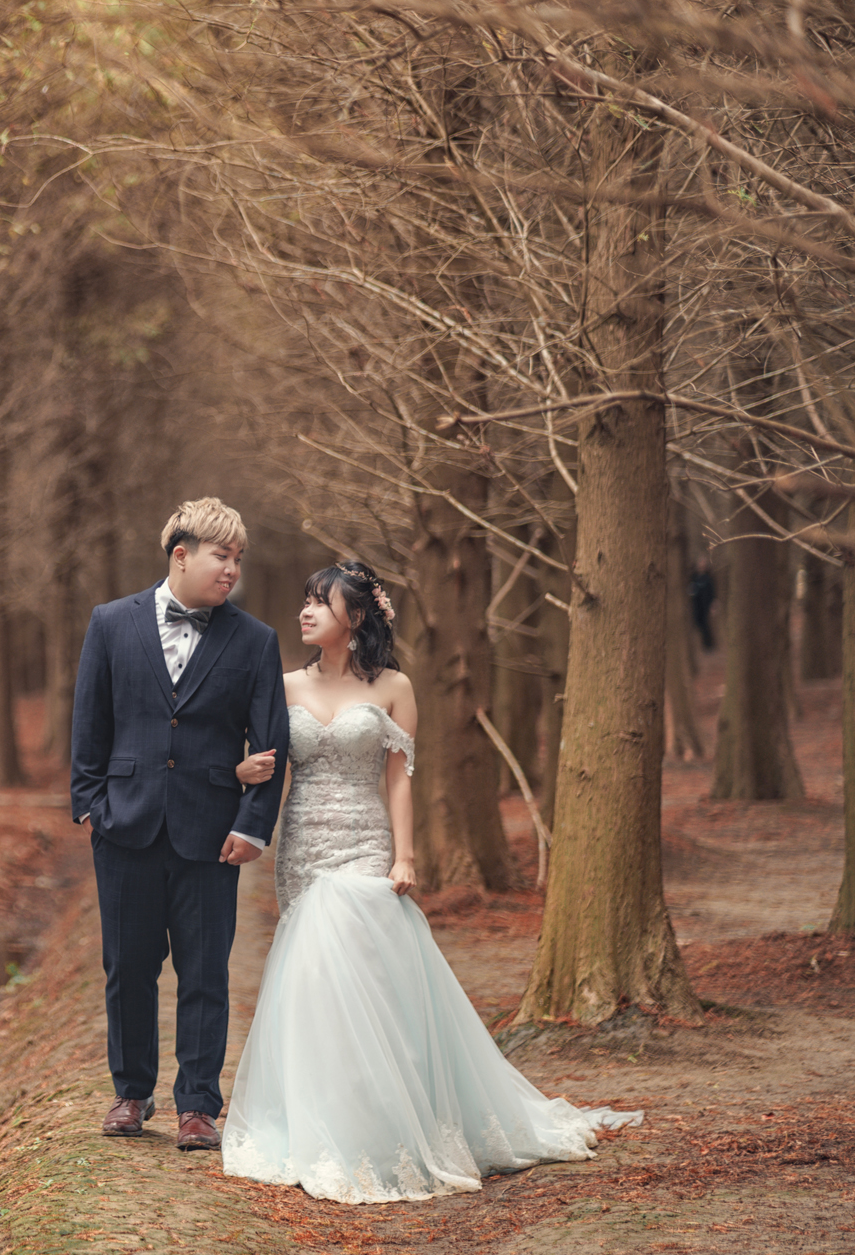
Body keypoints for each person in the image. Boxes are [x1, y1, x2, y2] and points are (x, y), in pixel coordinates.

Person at [219, 561, 640, 1203]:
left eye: (319, 603)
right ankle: (323, 1113)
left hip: (365, 844)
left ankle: (385, 1121)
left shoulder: (395, 686)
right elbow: (270, 769)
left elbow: (397, 778)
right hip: (304, 843)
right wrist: (245, 775)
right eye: (303, 600)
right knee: (313, 979)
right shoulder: (281, 686)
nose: (304, 612)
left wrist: (406, 855)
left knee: (365, 974)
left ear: (355, 618)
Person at [69, 497, 290, 1151]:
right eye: (222, 556)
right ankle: (131, 1094)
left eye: (239, 560)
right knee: (128, 968)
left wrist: (252, 825)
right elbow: (89, 727)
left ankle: (197, 1105)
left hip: (210, 835)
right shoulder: (110, 624)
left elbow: (271, 741)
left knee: (204, 973)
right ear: (182, 553)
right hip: (125, 830)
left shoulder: (254, 641)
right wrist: (93, 808)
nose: (232, 571)